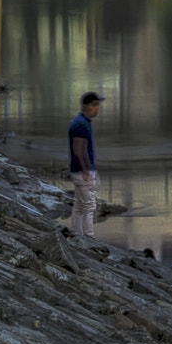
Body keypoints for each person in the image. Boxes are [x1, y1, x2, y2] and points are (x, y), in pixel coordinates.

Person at [68, 92, 102, 237]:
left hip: (79, 170)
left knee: (79, 205)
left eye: (97, 105)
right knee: (89, 206)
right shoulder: (80, 124)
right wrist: (86, 170)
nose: (97, 109)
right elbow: (78, 149)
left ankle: (76, 234)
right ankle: (89, 237)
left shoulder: (82, 122)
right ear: (87, 106)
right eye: (95, 105)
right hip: (82, 172)